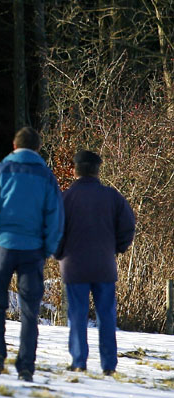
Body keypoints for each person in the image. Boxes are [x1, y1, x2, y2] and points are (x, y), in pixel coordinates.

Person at [0, 127, 64, 382]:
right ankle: (25, 367)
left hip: (2, 246)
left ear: (14, 146)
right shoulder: (47, 177)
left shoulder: (0, 171)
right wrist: (48, 247)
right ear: (37, 148)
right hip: (33, 250)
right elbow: (55, 217)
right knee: (29, 311)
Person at [54, 150, 135, 376]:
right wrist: (117, 248)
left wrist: (59, 253)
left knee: (77, 315)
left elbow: (55, 231)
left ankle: (79, 360)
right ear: (98, 170)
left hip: (74, 266)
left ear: (74, 170)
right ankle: (109, 364)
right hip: (104, 265)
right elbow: (128, 226)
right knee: (107, 315)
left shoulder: (65, 198)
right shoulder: (113, 197)